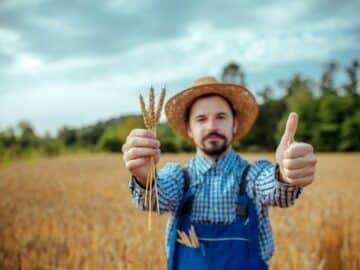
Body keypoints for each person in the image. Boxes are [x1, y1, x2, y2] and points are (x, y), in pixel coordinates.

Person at [122, 76, 317, 270]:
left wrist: (285, 174)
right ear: (189, 129)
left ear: (234, 124)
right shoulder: (179, 178)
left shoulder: (253, 175)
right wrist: (145, 178)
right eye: (201, 119)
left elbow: (277, 190)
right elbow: (156, 199)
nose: (211, 126)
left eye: (221, 117)